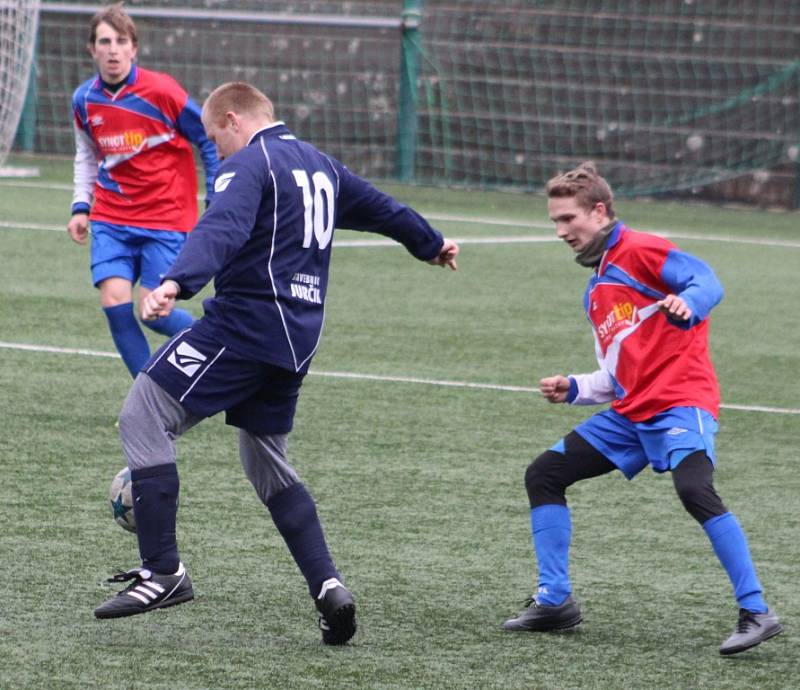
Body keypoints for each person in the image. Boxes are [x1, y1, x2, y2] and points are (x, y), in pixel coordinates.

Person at [92, 81, 459, 645]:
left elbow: (222, 225)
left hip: (244, 327)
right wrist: (429, 242)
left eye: (216, 140)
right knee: (266, 462)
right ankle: (329, 586)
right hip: (298, 338)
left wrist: (174, 281)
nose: (217, 153)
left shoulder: (251, 162)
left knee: (143, 412)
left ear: (234, 120)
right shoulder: (321, 165)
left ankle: (162, 572)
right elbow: (384, 209)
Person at [502, 162, 782, 656]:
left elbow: (706, 278)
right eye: (556, 222)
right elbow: (615, 377)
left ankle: (756, 610)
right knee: (545, 474)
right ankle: (555, 600)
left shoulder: (640, 250)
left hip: (681, 401)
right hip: (631, 413)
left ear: (600, 211)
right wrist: (573, 387)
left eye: (569, 219)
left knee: (694, 489)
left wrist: (690, 302)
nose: (562, 231)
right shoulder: (597, 289)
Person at [67, 3, 219, 378]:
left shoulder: (163, 91)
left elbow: (208, 137)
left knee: (153, 312)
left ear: (134, 48)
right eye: (105, 41)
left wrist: (216, 192)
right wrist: (80, 205)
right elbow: (86, 155)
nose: (113, 50)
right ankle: (145, 396)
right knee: (114, 303)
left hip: (166, 217)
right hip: (111, 217)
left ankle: (215, 341)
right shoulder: (84, 100)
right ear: (92, 49)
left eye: (121, 41)